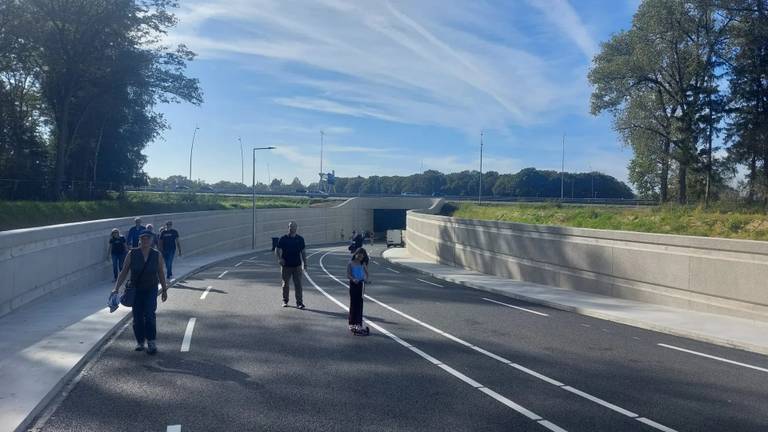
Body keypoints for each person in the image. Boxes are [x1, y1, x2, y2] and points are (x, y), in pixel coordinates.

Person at [112, 231, 169, 355]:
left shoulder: (156, 255)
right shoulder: (132, 254)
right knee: (137, 317)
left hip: (151, 288)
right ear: (139, 240)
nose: (145, 241)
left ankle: (151, 341)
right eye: (143, 239)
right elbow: (124, 271)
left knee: (149, 314)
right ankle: (140, 341)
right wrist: (116, 288)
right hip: (136, 289)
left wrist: (164, 289)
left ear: (151, 241)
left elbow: (160, 272)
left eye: (147, 239)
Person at [275, 221, 307, 309]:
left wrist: (305, 263)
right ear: (288, 228)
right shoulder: (283, 238)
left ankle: (299, 303)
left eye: (293, 227)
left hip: (297, 266)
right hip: (286, 266)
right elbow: (277, 249)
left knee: (298, 284)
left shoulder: (300, 239)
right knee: (285, 284)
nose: (291, 228)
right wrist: (279, 258)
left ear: (296, 228)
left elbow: (303, 252)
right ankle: (285, 301)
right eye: (290, 226)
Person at [347, 247, 370, 335]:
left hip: (361, 285)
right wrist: (353, 279)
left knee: (360, 305)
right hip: (353, 285)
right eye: (359, 256)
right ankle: (352, 323)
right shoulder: (350, 263)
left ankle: (358, 324)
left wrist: (366, 279)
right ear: (356, 254)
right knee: (353, 304)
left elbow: (367, 274)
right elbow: (348, 274)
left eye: (362, 257)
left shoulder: (363, 264)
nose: (360, 258)